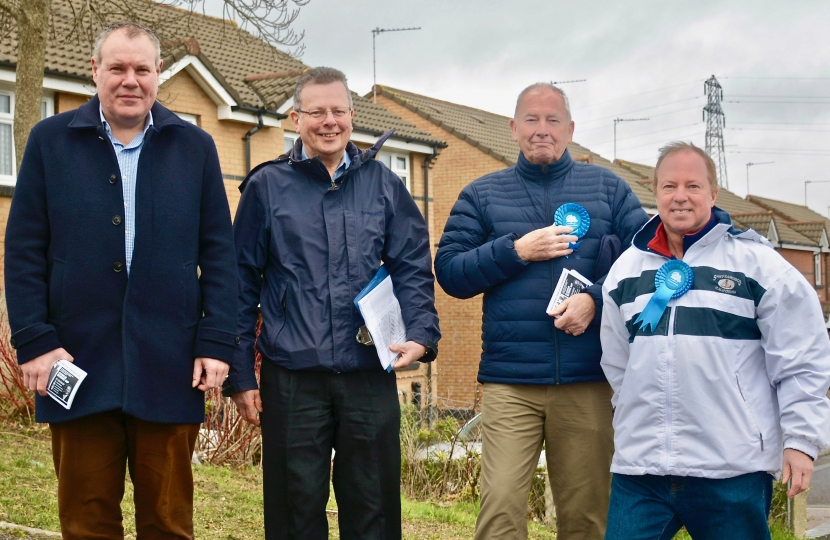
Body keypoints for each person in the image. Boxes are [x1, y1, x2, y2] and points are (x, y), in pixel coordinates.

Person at [4, 22, 238, 539]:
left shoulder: (195, 148)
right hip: (75, 362)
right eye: (117, 68)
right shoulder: (50, 142)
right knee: (86, 522)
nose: (129, 80)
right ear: (96, 71)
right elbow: (22, 252)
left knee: (169, 522)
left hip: (171, 365)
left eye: (141, 69)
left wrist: (217, 343)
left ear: (158, 75)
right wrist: (36, 343)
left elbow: (220, 255)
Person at [226, 66, 440, 540]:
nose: (329, 121)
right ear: (295, 119)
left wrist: (421, 334)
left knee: (374, 510)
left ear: (351, 115)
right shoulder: (266, 187)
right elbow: (239, 283)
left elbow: (411, 267)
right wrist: (241, 373)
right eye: (317, 111)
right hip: (292, 378)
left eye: (338, 111)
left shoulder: (384, 184)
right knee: (293, 510)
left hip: (368, 373)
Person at [434, 82, 649, 540]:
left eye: (553, 120)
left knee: (587, 519)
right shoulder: (483, 194)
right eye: (531, 120)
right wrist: (515, 251)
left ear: (570, 129)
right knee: (499, 515)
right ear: (513, 128)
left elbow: (648, 260)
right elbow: (450, 272)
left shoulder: (609, 190)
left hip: (588, 381)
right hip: (511, 382)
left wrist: (595, 297)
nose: (541, 130)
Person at [600, 142, 830, 539]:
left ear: (713, 193)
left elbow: (801, 359)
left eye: (693, 185)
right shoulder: (625, 270)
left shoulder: (758, 264)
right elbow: (618, 364)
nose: (681, 196)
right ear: (655, 192)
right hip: (642, 470)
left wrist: (802, 440)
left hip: (731, 468)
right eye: (670, 185)